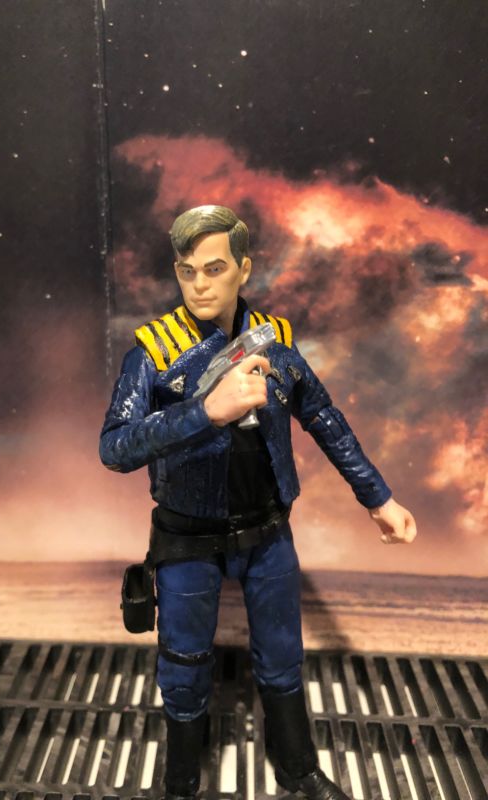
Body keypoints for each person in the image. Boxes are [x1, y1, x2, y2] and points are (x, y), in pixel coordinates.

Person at [100, 205, 417, 800]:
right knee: (184, 666)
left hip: (268, 531)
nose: (199, 284)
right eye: (187, 271)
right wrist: (204, 412)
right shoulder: (155, 352)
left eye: (214, 268)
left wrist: (378, 497)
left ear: (243, 269)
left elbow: (324, 418)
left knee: (281, 657)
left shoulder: (275, 341)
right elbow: (115, 448)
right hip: (187, 538)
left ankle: (297, 769)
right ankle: (181, 782)